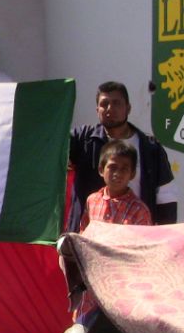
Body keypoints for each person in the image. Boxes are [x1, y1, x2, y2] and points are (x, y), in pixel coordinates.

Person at [68, 81, 177, 233]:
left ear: (128, 108)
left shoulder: (150, 147)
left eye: (116, 103)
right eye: (104, 104)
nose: (110, 108)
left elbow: (166, 195)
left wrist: (165, 236)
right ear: (97, 110)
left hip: (135, 238)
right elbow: (51, 146)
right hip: (89, 239)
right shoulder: (83, 139)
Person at [79, 140, 151, 232]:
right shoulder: (92, 201)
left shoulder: (139, 210)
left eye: (124, 169)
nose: (117, 174)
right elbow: (84, 233)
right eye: (113, 167)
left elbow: (143, 240)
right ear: (101, 170)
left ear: (132, 174)